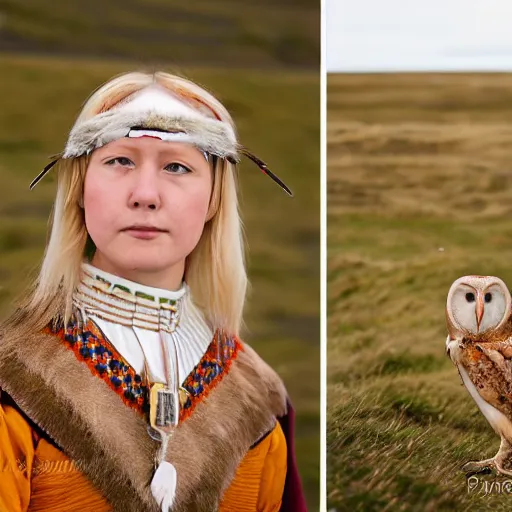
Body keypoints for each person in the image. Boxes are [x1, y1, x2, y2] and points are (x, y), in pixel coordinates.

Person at [0, 71, 307, 512]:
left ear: (214, 198)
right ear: (81, 187)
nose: (145, 195)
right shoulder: (13, 384)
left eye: (177, 166)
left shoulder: (260, 400)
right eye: (120, 161)